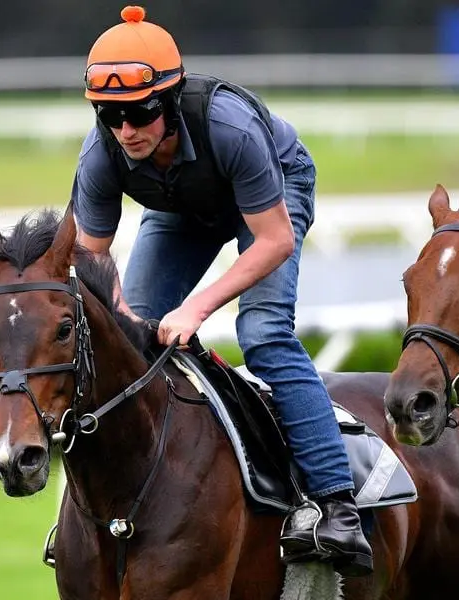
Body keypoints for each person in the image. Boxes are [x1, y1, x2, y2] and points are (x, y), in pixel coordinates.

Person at [71, 5, 372, 576]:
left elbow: (274, 240)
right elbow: (89, 258)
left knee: (260, 332)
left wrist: (195, 307)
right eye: (110, 116)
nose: (126, 130)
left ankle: (337, 504)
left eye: (139, 112)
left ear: (169, 99)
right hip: (180, 205)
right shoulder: (102, 152)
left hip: (269, 196)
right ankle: (112, 511)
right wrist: (129, 316)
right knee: (129, 349)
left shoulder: (229, 127)